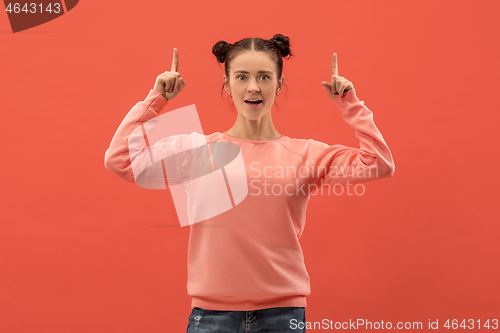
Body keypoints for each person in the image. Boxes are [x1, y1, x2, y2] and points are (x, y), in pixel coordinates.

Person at [104, 33, 395, 333]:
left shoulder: (305, 153)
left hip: (282, 316)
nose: (253, 86)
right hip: (212, 318)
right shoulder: (197, 150)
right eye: (242, 77)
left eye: (264, 77)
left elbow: (379, 164)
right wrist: (156, 100)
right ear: (227, 85)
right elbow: (121, 160)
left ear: (278, 84)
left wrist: (350, 104)